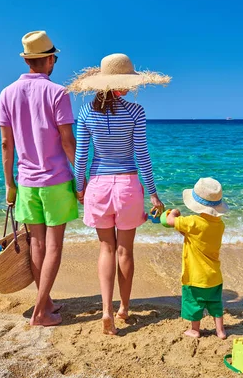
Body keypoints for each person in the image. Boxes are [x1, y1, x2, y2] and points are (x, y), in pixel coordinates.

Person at [67, 53, 170, 335]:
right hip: (127, 186)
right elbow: (142, 155)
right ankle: (124, 307)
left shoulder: (87, 112)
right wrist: (153, 194)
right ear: (121, 85)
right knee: (125, 249)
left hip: (98, 186)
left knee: (106, 249)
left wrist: (79, 187)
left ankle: (106, 311)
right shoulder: (136, 112)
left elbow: (82, 158)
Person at [0, 31, 79, 326]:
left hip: (27, 181)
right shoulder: (58, 93)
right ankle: (41, 311)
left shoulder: (6, 93)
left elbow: (7, 145)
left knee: (37, 245)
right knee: (54, 246)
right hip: (55, 180)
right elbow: (68, 141)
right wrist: (81, 177)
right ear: (47, 60)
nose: (54, 61)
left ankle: (45, 301)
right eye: (54, 57)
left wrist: (10, 183)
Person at [164, 177, 228, 339]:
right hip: (214, 276)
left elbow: (170, 221)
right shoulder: (219, 225)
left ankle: (195, 330)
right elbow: (198, 235)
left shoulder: (191, 222)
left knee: (194, 303)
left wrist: (173, 212)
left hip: (195, 276)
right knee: (215, 304)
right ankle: (220, 331)